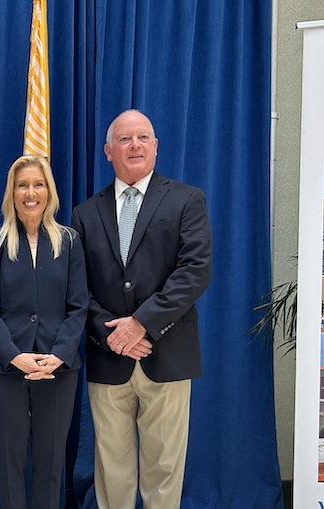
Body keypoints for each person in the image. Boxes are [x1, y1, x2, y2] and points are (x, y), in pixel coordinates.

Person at [71, 109, 213, 509]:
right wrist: (112, 333)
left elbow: (195, 270)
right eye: (124, 139)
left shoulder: (187, 200)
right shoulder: (84, 213)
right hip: (108, 355)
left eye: (143, 137)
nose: (135, 145)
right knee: (111, 467)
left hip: (167, 354)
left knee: (164, 467)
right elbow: (76, 286)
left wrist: (142, 325)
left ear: (155, 146)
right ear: (107, 151)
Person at [0, 155, 88, 509]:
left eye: (38, 184)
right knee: (9, 464)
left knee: (51, 463)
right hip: (6, 368)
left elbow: (78, 306)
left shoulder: (69, 242)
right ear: (12, 192)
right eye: (22, 185)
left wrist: (58, 355)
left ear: (49, 192)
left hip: (59, 368)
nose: (30, 193)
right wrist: (15, 357)